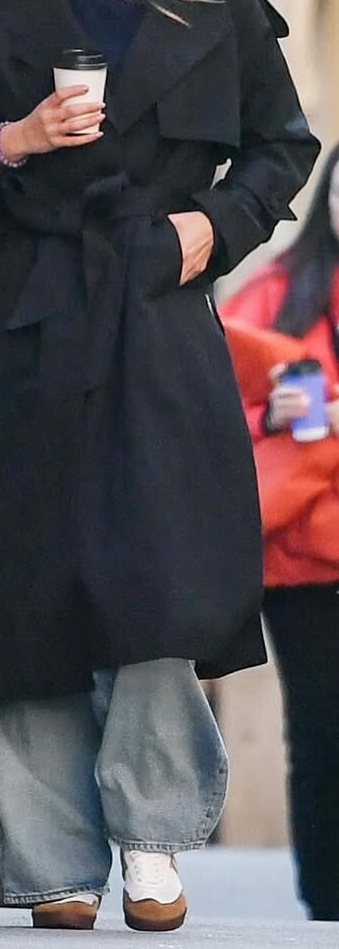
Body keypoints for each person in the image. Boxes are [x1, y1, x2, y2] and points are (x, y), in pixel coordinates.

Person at [0, 0, 318, 932]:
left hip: (155, 310)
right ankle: (53, 864)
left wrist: (210, 231)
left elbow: (284, 147)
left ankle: (154, 835)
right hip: (26, 314)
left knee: (159, 580)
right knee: (16, 588)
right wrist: (13, 139)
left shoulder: (219, 0)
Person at [219, 144, 339, 922]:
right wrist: (270, 414)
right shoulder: (275, 293)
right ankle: (326, 902)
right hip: (302, 564)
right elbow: (202, 403)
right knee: (321, 734)